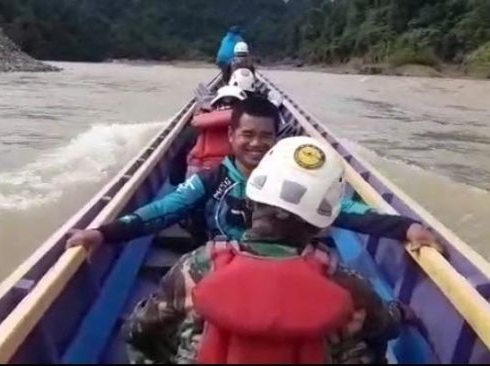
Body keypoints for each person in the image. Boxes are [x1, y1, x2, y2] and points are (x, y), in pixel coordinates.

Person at [121, 136, 411, 364]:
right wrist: (396, 312)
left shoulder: (196, 266)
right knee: (369, 343)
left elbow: (138, 330)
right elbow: (387, 327)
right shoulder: (347, 285)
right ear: (322, 225)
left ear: (252, 202)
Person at [66, 95, 438, 251]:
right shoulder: (213, 179)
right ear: (231, 135)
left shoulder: (298, 182)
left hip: (289, 267)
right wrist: (102, 232)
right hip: (219, 264)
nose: (256, 144)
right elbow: (163, 210)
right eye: (247, 135)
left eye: (266, 136)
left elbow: (348, 211)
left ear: (278, 139)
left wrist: (406, 227)